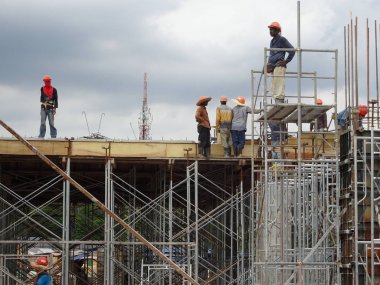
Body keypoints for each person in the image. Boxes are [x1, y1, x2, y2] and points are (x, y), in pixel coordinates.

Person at [266, 21, 295, 157]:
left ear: (278, 30)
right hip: (274, 67)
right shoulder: (272, 42)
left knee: (279, 87)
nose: (270, 31)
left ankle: (280, 102)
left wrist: (286, 61)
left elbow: (292, 50)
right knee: (273, 87)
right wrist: (269, 65)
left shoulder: (282, 40)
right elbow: (272, 55)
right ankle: (277, 101)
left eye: (272, 29)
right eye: (270, 29)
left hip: (280, 65)